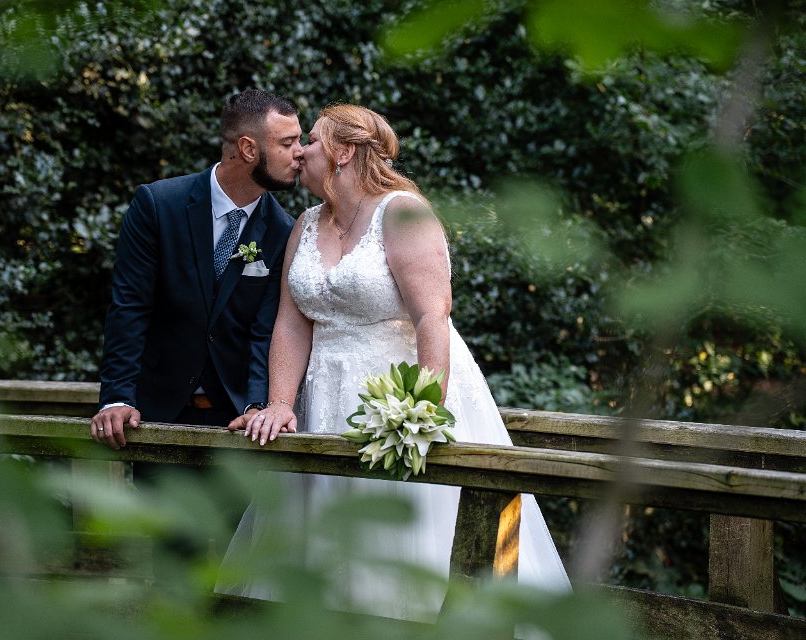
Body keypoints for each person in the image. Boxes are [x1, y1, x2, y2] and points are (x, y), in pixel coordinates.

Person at [217, 104, 570, 622]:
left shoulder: (403, 213)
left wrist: (420, 409)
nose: (302, 152)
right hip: (323, 405)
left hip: (397, 399)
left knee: (401, 543)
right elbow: (292, 323)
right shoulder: (306, 225)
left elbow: (432, 316)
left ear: (343, 151)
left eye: (311, 140)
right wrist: (279, 403)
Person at [91, 88, 302, 446]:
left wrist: (255, 405)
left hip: (238, 425)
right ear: (248, 149)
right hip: (153, 416)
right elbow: (130, 307)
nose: (300, 152)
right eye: (287, 143)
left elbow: (264, 330)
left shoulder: (284, 231)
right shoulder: (158, 205)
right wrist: (117, 398)